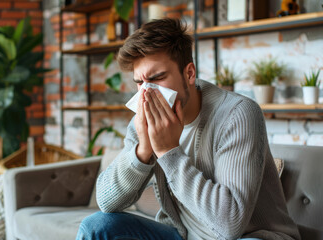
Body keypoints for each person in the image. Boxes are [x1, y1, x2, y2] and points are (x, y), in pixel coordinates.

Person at [76, 18, 300, 240]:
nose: (147, 93)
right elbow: (106, 201)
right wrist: (143, 150)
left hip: (250, 236)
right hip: (182, 234)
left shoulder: (238, 114)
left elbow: (230, 225)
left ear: (189, 73)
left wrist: (167, 151)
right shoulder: (145, 118)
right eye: (139, 82)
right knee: (96, 226)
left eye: (157, 78)